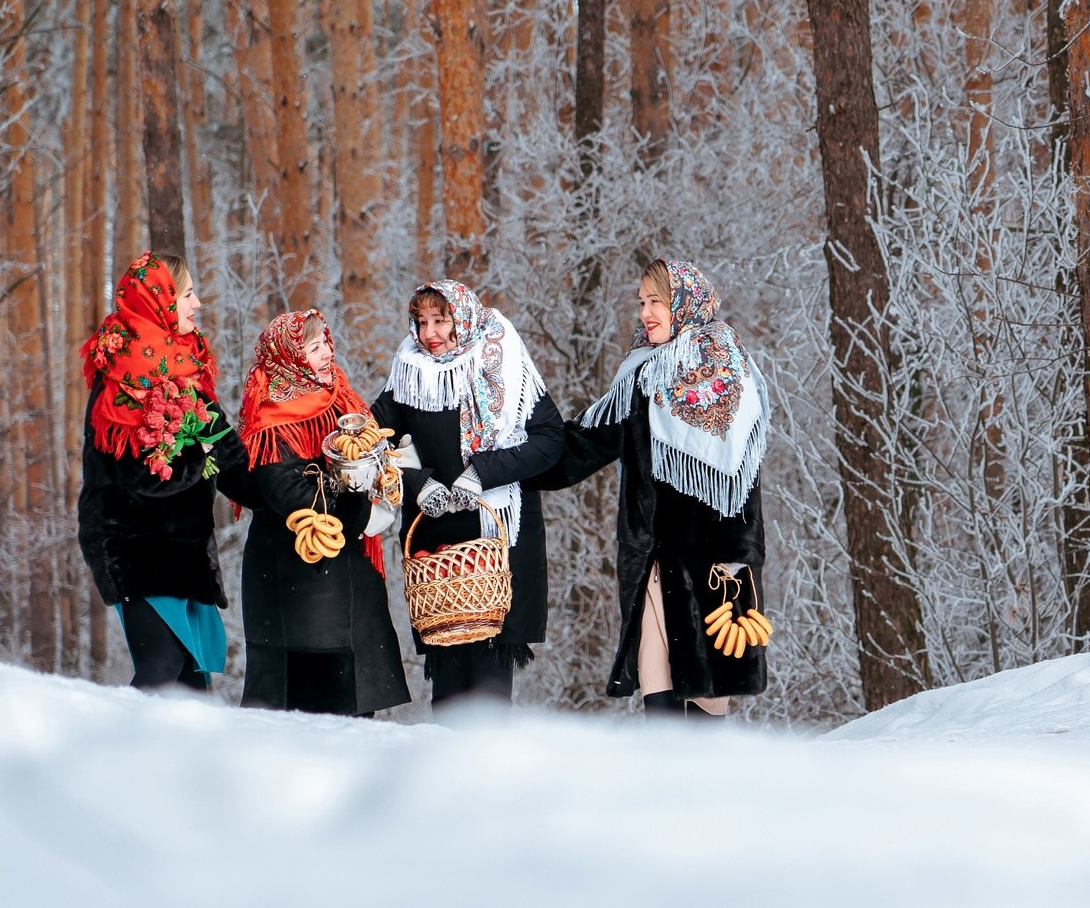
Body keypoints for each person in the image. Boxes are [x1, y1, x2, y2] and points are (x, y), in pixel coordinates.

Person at [548, 258, 769, 716]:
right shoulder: (640, 375)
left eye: (657, 302)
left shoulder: (730, 373)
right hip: (653, 559)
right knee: (659, 696)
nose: (647, 313)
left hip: (714, 566)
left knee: (708, 700)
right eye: (642, 303)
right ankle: (662, 787)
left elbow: (745, 480)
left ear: (684, 305)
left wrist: (739, 559)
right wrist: (514, 458)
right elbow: (587, 444)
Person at [372, 279, 566, 707]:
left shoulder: (502, 357)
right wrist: (416, 484)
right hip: (437, 549)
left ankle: (488, 775)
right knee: (448, 694)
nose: (430, 335)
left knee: (489, 695)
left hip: (499, 541)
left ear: (463, 317)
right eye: (421, 322)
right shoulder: (408, 371)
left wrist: (483, 473)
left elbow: (550, 439)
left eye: (441, 321)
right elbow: (372, 443)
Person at [227, 309, 411, 716]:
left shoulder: (340, 399)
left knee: (358, 718)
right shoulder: (272, 418)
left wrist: (385, 482)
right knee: (318, 723)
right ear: (290, 358)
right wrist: (361, 509)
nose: (328, 353)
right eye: (314, 347)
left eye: (326, 342)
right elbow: (290, 492)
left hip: (352, 588)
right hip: (301, 593)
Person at [76, 253, 244, 691]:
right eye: (188, 294)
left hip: (183, 550)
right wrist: (201, 455)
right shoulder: (124, 375)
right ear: (161, 300)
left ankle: (173, 761)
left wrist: (301, 497)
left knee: (191, 684)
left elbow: (228, 450)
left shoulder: (184, 366)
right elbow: (142, 474)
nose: (198, 303)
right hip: (134, 544)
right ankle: (98, 755)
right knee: (163, 668)